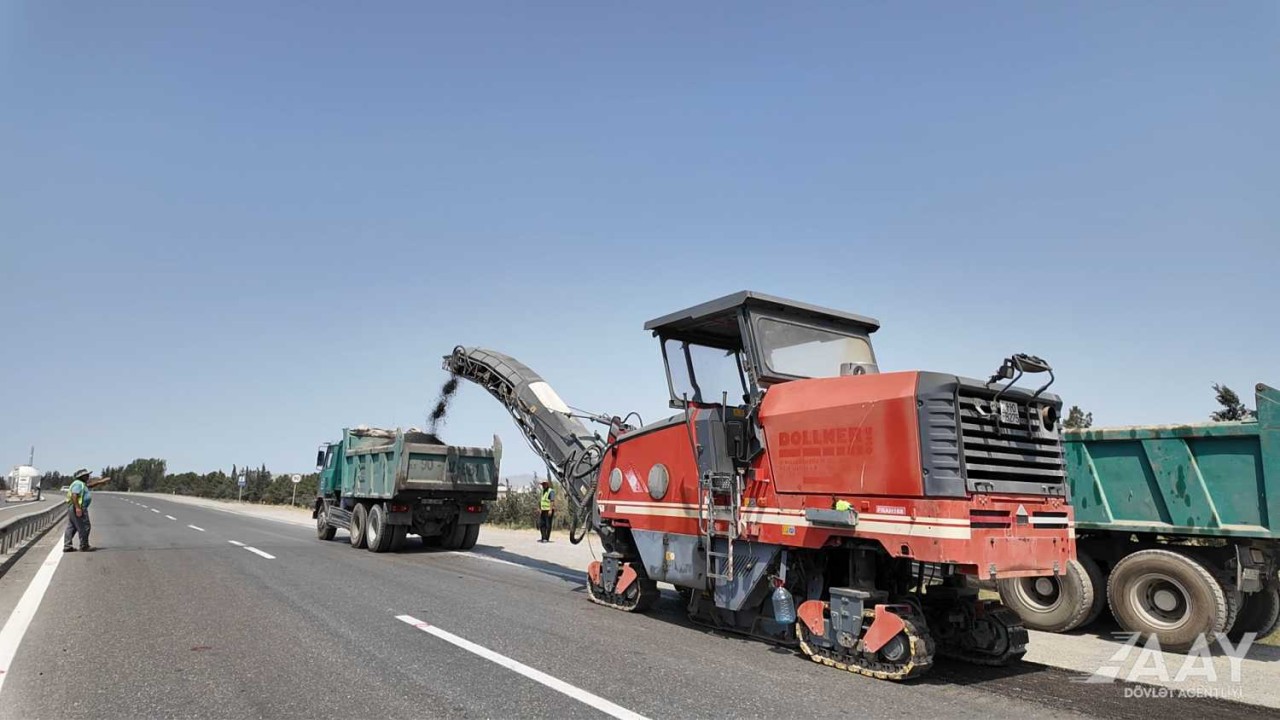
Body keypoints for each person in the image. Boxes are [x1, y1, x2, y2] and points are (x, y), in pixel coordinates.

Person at [64, 468, 110, 552]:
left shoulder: (81, 484)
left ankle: (67, 546)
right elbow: (74, 495)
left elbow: (90, 485)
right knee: (85, 526)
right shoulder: (78, 484)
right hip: (78, 507)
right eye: (87, 475)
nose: (89, 476)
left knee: (72, 527)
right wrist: (78, 508)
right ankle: (84, 545)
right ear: (82, 476)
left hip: (73, 507)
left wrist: (100, 482)